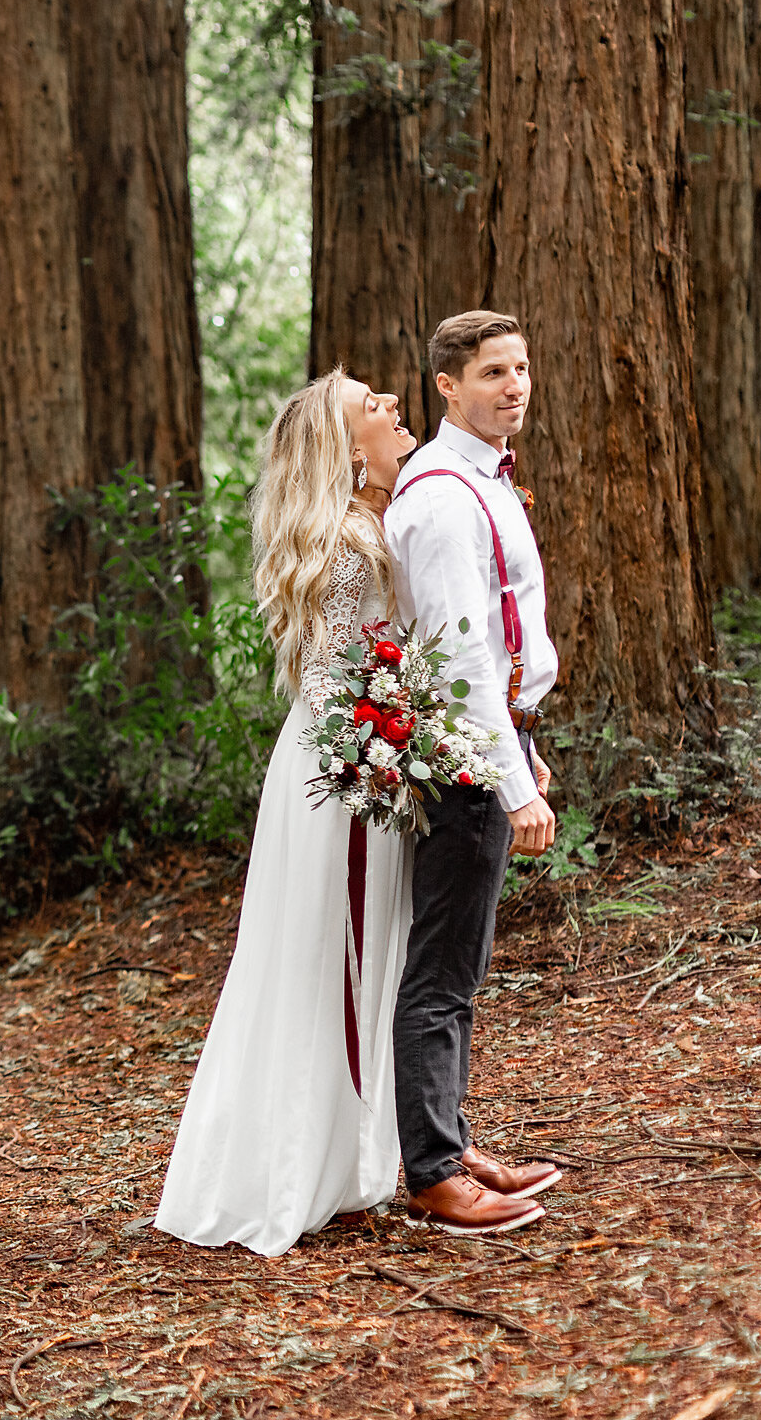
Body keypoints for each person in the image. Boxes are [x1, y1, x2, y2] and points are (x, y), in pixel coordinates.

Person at [152, 369, 419, 1257]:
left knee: (348, 958)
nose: (390, 406)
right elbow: (337, 679)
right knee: (327, 961)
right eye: (370, 405)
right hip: (344, 774)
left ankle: (346, 1159)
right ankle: (293, 1168)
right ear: (344, 448)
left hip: (354, 762)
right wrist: (387, 753)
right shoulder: (346, 542)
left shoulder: (365, 522)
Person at [383, 310, 562, 1236]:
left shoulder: (482, 481)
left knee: (462, 958)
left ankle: (444, 1139)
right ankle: (432, 1173)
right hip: (461, 760)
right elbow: (459, 663)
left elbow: (502, 639)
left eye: (522, 368)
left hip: (492, 742)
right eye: (495, 372)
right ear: (448, 387)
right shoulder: (448, 497)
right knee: (444, 966)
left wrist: (528, 746)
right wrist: (514, 783)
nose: (516, 385)